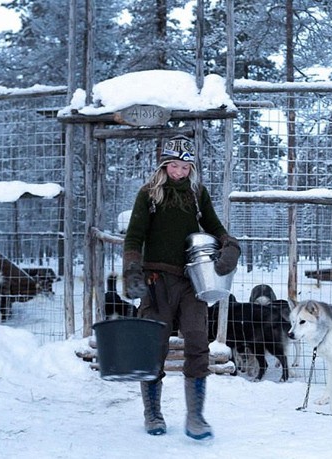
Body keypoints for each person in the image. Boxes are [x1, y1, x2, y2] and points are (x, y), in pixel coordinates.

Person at [122, 134, 241, 440]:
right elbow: (134, 237)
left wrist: (231, 246)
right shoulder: (149, 195)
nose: (179, 172)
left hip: (192, 282)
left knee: (198, 343)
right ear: (164, 165)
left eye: (185, 167)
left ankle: (196, 417)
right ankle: (153, 413)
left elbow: (216, 228)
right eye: (174, 166)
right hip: (156, 281)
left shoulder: (197, 194)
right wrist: (132, 270)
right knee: (153, 347)